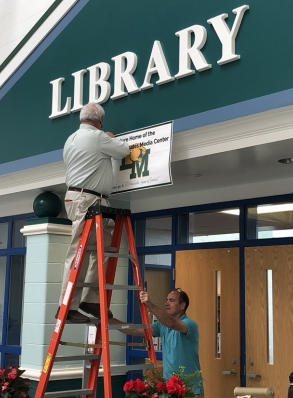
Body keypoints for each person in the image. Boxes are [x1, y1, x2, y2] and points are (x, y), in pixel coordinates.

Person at [57, 102, 130, 323]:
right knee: (79, 252)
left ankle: (91, 300)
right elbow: (123, 151)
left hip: (86, 198)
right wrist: (110, 137)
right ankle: (67, 305)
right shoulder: (98, 137)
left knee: (100, 249)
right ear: (100, 121)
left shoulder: (71, 139)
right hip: (87, 199)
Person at [111, 289, 204, 396]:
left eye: (171, 301)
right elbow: (135, 330)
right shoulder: (162, 325)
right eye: (166, 300)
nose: (166, 303)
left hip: (190, 390)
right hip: (169, 389)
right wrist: (110, 320)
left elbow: (172, 323)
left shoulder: (190, 324)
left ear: (182, 305)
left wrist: (149, 304)